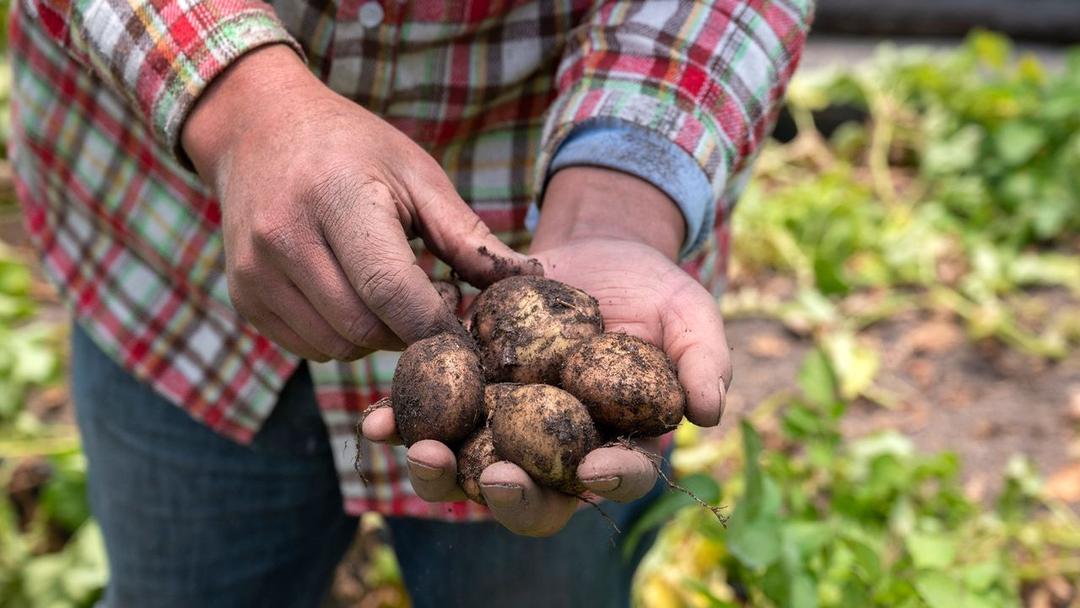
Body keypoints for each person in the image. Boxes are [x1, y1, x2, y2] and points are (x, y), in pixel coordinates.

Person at [10, 0, 811, 605]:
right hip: (170, 266)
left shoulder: (542, 357)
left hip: (542, 174)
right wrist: (240, 103)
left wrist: (618, 206)